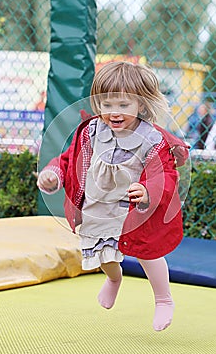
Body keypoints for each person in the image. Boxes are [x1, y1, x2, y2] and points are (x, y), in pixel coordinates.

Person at [37, 61, 189, 332]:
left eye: (123, 105)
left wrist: (147, 191)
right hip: (101, 207)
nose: (113, 113)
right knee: (104, 256)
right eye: (106, 105)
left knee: (148, 254)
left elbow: (163, 173)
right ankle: (114, 279)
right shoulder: (92, 132)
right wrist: (54, 175)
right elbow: (70, 160)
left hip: (133, 209)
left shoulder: (150, 139)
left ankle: (163, 299)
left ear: (140, 105)